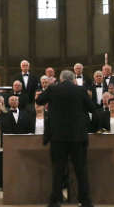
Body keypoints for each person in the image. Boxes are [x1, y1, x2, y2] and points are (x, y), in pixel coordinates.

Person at [36, 70, 96, 207]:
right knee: (81, 170)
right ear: (73, 79)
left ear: (61, 79)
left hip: (58, 137)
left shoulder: (53, 89)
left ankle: (55, 201)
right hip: (77, 137)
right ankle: (85, 201)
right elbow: (92, 108)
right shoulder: (80, 90)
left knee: (58, 170)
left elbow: (38, 100)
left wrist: (51, 89)